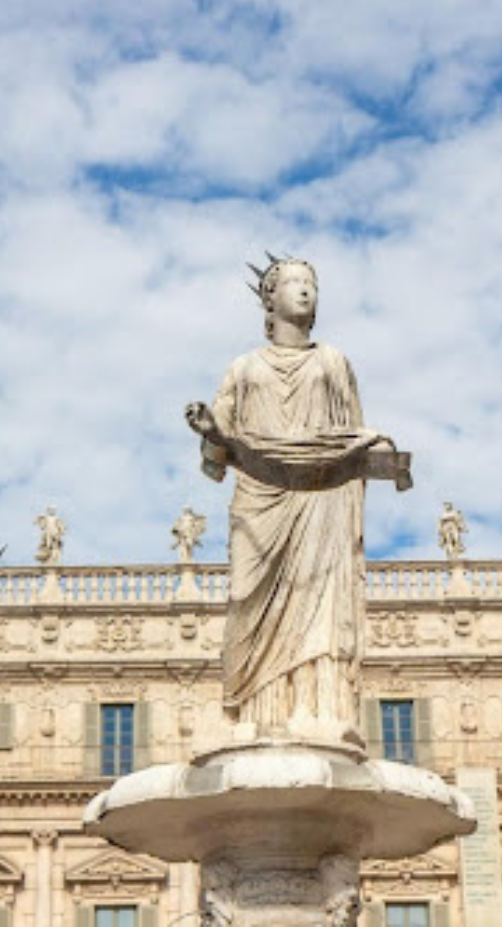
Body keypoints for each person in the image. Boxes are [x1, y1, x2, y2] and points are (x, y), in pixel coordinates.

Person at [186, 256, 400, 741]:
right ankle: (258, 713)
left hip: (321, 497)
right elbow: (217, 455)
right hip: (260, 499)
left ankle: (318, 709)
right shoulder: (243, 369)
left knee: (319, 601)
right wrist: (209, 429)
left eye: (312, 284)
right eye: (295, 283)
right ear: (270, 298)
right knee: (248, 602)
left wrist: (374, 444)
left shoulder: (332, 362)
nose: (306, 291)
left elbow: (350, 435)